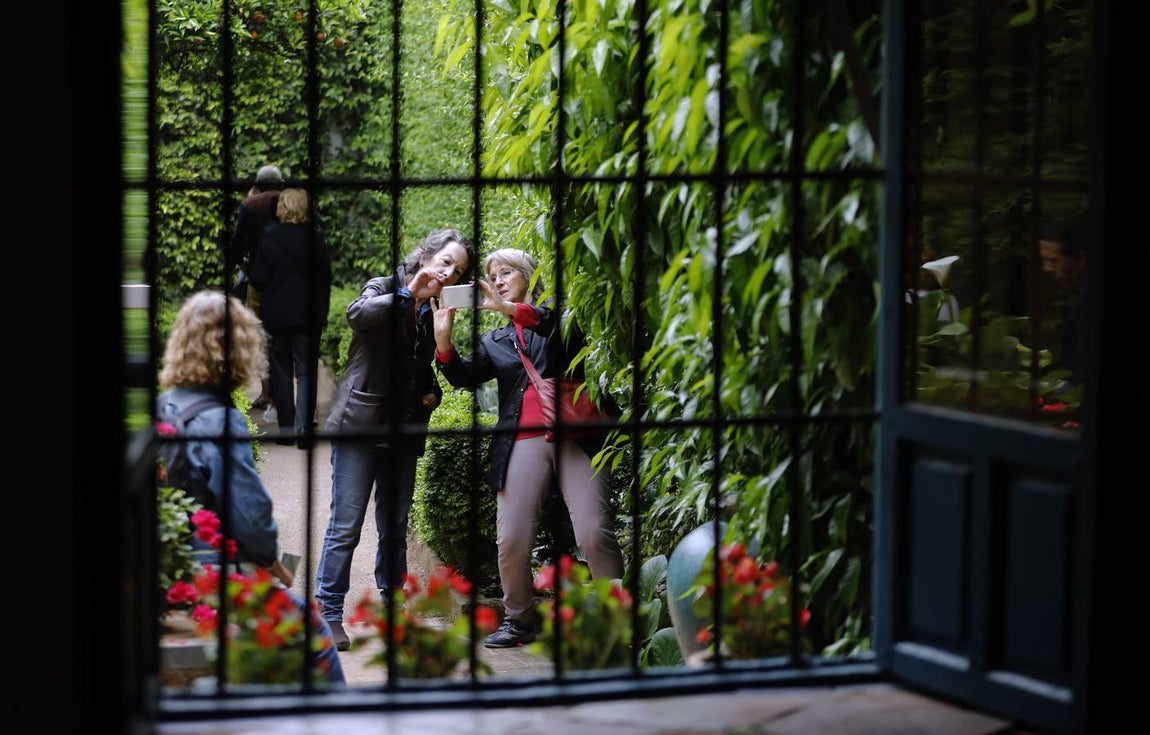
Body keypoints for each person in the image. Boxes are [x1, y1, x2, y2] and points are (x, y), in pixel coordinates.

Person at [432, 248, 625, 648]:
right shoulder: (495, 340)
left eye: (506, 273)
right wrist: (443, 341)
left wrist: (511, 310)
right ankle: (518, 620)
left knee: (594, 531)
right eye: (493, 277)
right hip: (521, 440)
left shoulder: (560, 316)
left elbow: (559, 330)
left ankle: (617, 620)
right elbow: (464, 377)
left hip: (578, 435)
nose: (498, 281)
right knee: (512, 538)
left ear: (529, 275)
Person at [156, 290, 345, 685]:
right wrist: (269, 556)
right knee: (316, 635)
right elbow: (251, 516)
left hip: (165, 573)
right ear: (240, 349)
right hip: (213, 575)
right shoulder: (221, 420)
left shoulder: (161, 407)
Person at [315, 229, 476, 650]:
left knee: (395, 526)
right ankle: (328, 612)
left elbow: (421, 367)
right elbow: (357, 314)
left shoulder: (435, 309)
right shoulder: (385, 286)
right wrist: (407, 294)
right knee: (346, 525)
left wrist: (432, 391)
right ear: (425, 256)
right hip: (361, 423)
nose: (449, 272)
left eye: (458, 270)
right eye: (445, 261)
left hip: (403, 429)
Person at [248, 188, 333, 447]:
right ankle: (304, 430)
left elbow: (258, 278)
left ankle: (286, 431)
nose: (276, 208)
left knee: (281, 371)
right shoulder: (315, 238)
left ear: (287, 208)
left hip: (277, 314)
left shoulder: (270, 236)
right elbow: (325, 279)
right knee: (307, 372)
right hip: (309, 314)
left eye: (280, 204)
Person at [229, 164, 286, 411]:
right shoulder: (292, 201)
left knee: (260, 334)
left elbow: (237, 244)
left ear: (258, 184)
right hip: (289, 280)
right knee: (286, 335)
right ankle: (284, 395)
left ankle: (266, 393)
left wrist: (241, 263)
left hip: (258, 279)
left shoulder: (250, 205)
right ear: (281, 183)